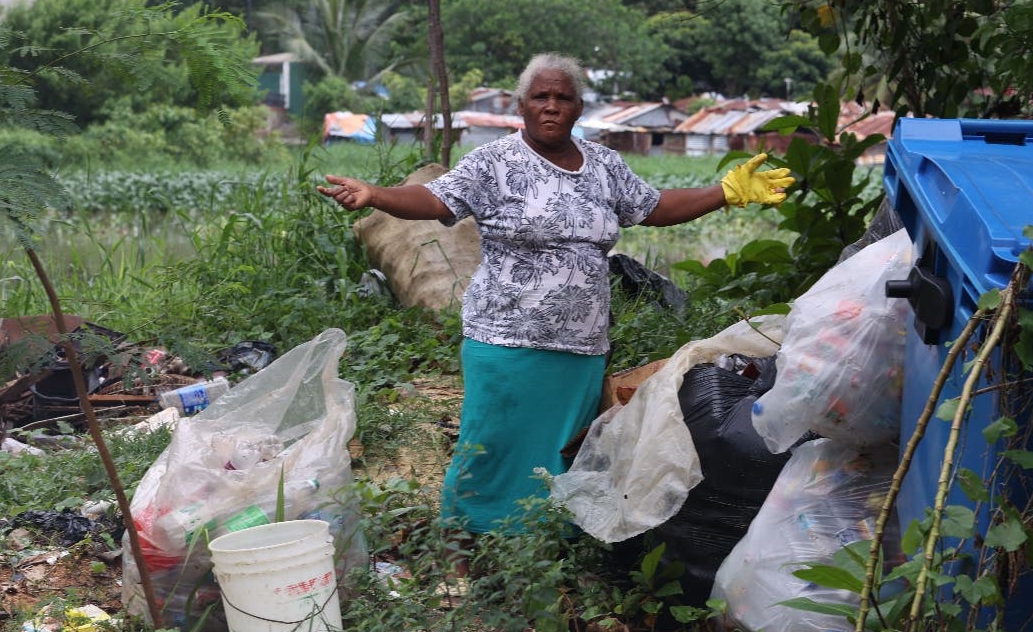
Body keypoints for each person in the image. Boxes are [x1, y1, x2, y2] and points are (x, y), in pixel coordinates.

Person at [317, 52, 793, 537]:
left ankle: (544, 539)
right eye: (540, 97)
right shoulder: (495, 161)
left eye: (562, 97)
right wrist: (376, 194)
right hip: (506, 340)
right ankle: (466, 538)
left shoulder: (604, 165)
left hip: (580, 346)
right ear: (521, 106)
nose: (551, 106)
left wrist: (726, 191)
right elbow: (436, 198)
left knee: (561, 447)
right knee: (493, 442)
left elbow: (654, 206)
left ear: (578, 108)